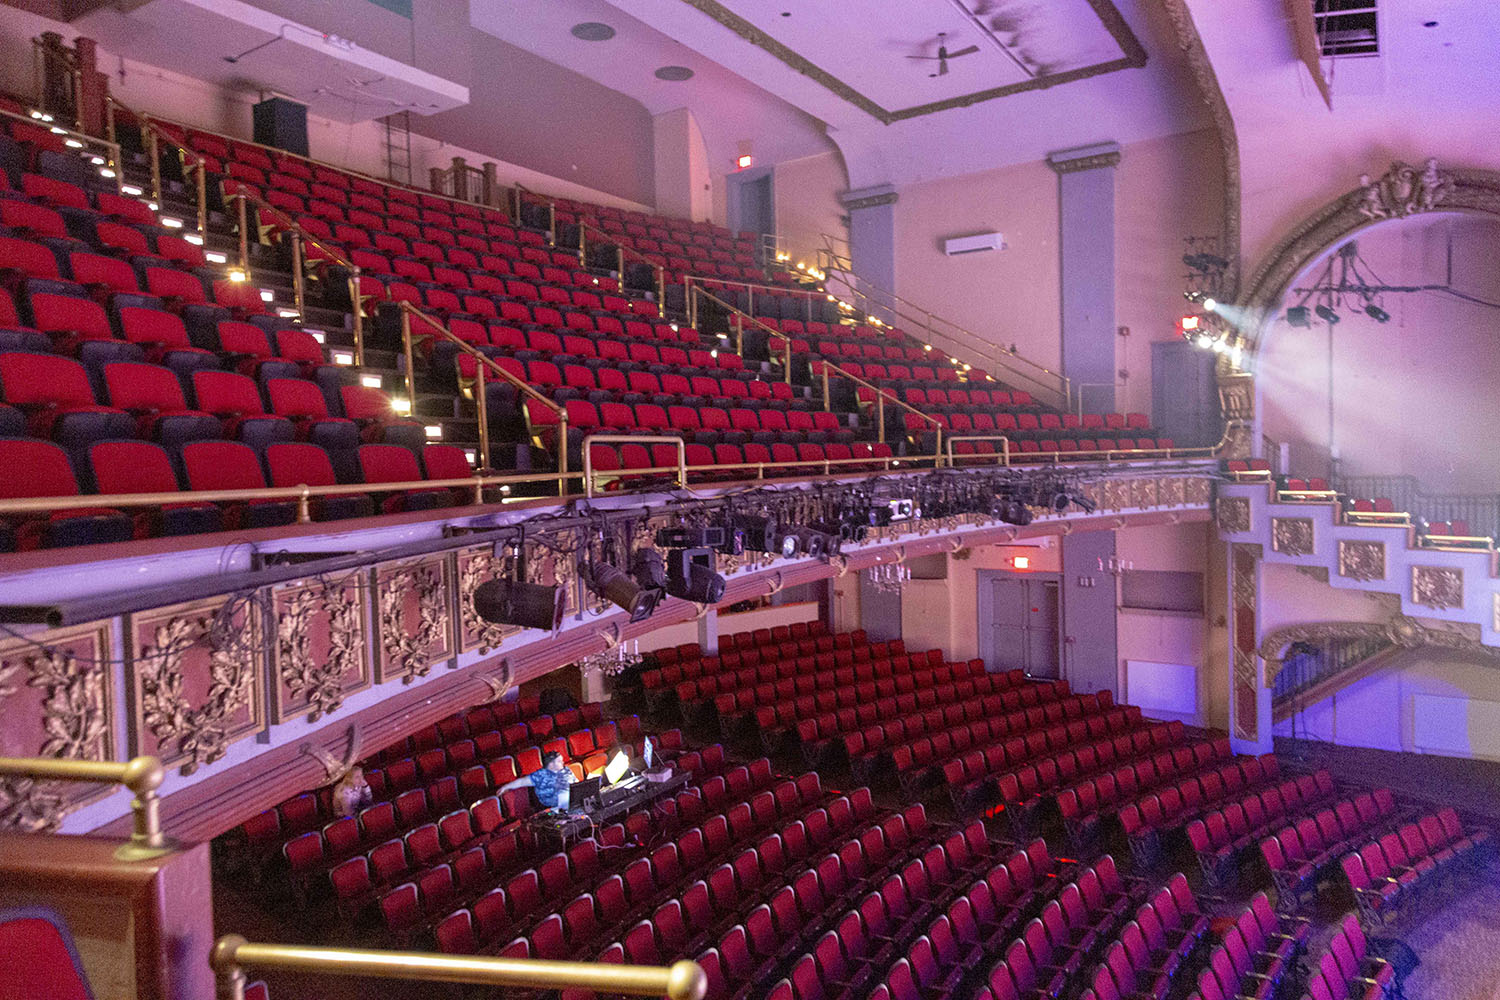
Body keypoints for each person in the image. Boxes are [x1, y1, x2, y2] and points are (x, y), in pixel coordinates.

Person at [499, 750, 573, 809]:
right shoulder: (540, 775)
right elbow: (521, 782)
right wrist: (505, 787)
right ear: (551, 764)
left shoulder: (566, 770)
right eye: (559, 761)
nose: (563, 762)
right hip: (555, 806)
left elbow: (576, 784)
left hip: (572, 801)